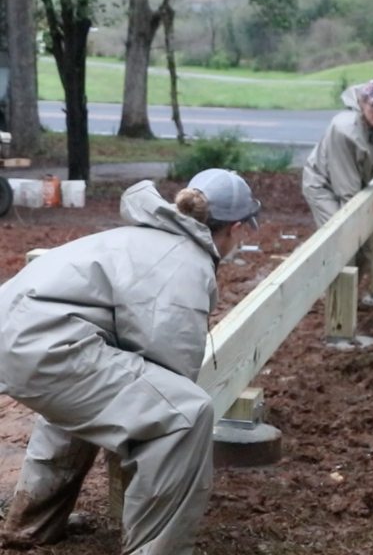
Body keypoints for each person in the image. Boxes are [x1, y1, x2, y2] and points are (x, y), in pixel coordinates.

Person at [0, 169, 261, 555]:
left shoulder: (143, 235)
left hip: (23, 337)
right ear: (235, 227)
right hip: (47, 346)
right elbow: (170, 375)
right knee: (185, 416)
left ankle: (32, 523)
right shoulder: (185, 262)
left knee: (93, 395)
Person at [302, 78, 373, 230]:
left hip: (352, 182)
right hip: (322, 184)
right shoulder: (345, 131)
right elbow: (347, 187)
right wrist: (354, 222)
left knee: (360, 236)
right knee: (339, 233)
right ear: (362, 102)